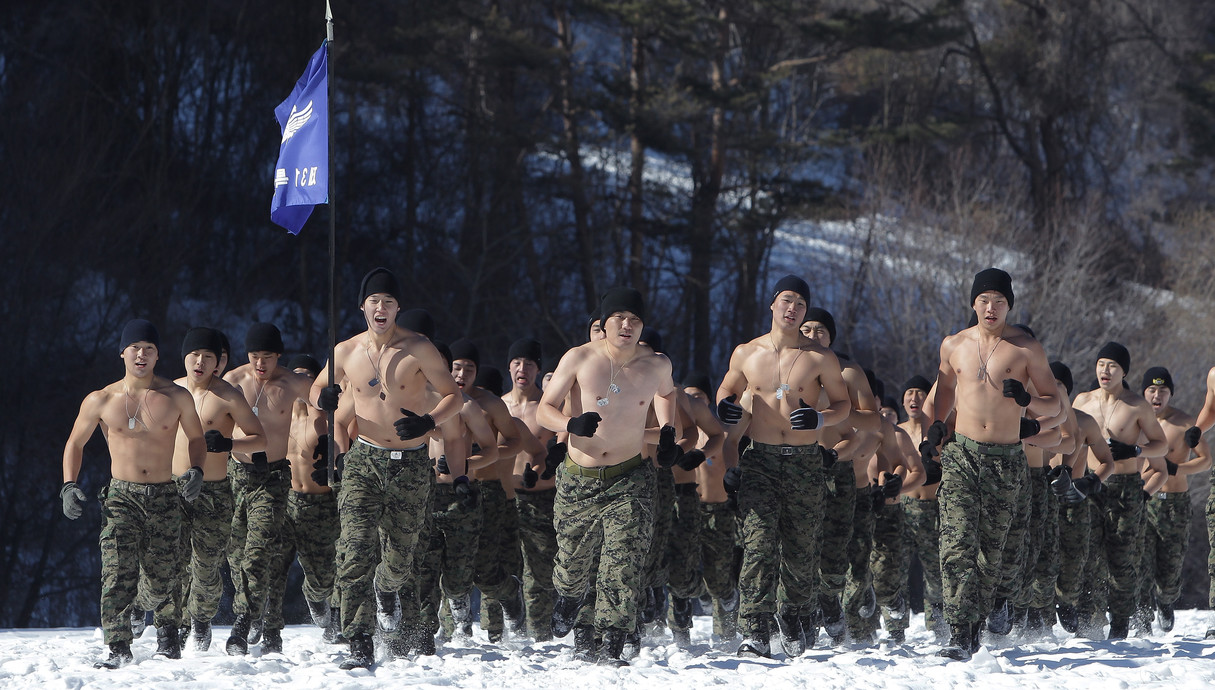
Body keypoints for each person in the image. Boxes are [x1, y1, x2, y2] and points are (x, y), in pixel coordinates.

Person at [311, 268, 465, 669]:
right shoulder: (346, 351)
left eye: (389, 302)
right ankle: (359, 639)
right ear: (363, 306)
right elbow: (317, 391)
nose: (381, 308)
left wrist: (428, 422)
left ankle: (386, 589)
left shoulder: (419, 348)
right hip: (364, 459)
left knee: (400, 555)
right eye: (374, 301)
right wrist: (324, 397)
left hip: (411, 463)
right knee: (355, 549)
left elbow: (453, 396)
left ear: (398, 308)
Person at [920, 268, 1059, 660]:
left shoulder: (1026, 349)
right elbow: (944, 390)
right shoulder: (954, 345)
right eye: (984, 300)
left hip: (1005, 459)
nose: (991, 307)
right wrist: (935, 428)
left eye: (999, 301)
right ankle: (960, 632)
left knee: (993, 552)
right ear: (973, 304)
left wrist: (1027, 400)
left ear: (1009, 305)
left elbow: (1056, 403)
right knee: (957, 543)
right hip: (962, 454)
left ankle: (988, 607)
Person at [537, 287, 679, 665]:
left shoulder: (657, 364)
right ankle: (569, 596)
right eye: (619, 318)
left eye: (634, 320)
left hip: (629, 477)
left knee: (623, 562)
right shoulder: (580, 358)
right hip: (579, 478)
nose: (627, 326)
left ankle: (613, 642)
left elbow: (666, 395)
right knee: (571, 564)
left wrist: (667, 430)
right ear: (603, 323)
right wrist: (570, 423)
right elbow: (543, 409)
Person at [715, 275, 851, 658]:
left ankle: (793, 616)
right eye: (787, 301)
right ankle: (755, 630)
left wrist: (820, 419)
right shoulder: (747, 352)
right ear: (773, 304)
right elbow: (727, 390)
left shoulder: (819, 357)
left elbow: (842, 405)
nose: (793, 309)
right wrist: (724, 404)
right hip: (760, 458)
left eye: (801, 304)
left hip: (805, 462)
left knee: (800, 549)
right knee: (757, 545)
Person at [61, 319, 207, 668]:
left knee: (164, 575)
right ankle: (117, 645)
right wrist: (68, 485)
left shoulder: (176, 396)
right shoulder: (101, 399)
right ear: (123, 352)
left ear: (158, 355)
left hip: (165, 493)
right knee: (116, 569)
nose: (141, 354)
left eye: (149, 349)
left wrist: (197, 470)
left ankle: (164, 631)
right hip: (121, 497)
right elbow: (74, 443)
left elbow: (198, 438)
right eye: (135, 348)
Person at [222, 322, 314, 655]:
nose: (261, 364)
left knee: (260, 551)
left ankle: (244, 621)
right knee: (236, 555)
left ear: (279, 356)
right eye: (255, 356)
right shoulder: (232, 382)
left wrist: (331, 397)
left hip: (273, 478)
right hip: (236, 475)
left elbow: (329, 396)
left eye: (268, 357)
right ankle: (261, 614)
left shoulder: (292, 383)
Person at [173, 327, 265, 652]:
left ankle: (200, 618)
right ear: (184, 357)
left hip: (213, 491)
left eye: (208, 357)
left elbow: (260, 439)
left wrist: (228, 443)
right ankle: (175, 624)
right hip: (174, 488)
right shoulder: (169, 392)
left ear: (217, 363)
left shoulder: (228, 395)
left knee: (206, 565)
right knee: (173, 561)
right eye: (195, 355)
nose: (200, 362)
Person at [1070, 341, 1168, 639]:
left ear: (1123, 371)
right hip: (1091, 483)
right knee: (1089, 554)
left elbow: (1161, 444)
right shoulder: (1082, 401)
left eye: (1112, 366)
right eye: (1101, 364)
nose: (1105, 370)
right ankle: (1089, 618)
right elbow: (1070, 442)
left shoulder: (1136, 404)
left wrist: (1135, 449)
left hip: (1125, 487)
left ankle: (1121, 621)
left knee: (1122, 556)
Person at [799, 308, 881, 646]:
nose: (814, 334)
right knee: (798, 547)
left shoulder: (849, 372)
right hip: (796, 468)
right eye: (807, 328)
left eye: (821, 329)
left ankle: (830, 597)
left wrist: (839, 420)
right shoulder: (786, 367)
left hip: (837, 466)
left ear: (831, 336)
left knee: (835, 548)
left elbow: (872, 422)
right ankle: (796, 616)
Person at [450, 339, 528, 644]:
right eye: (457, 366)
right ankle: (459, 622)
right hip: (448, 489)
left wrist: (489, 455)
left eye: (469, 368)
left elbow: (515, 440)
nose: (462, 373)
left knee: (483, 568)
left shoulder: (490, 403)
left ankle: (510, 598)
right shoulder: (432, 397)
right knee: (450, 561)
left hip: (487, 490)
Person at [262, 354, 342, 652]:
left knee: (322, 577)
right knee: (272, 570)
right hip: (283, 501)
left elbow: (336, 444)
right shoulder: (276, 416)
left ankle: (319, 599)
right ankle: (271, 631)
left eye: (306, 380)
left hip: (317, 505)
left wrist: (331, 456)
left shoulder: (322, 420)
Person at [1137, 367, 1211, 632]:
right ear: (1144, 392)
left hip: (1174, 503)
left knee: (1170, 567)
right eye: (1152, 390)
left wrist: (1178, 468)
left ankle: (1166, 600)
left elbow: (1206, 460)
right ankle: (1142, 616)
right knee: (1140, 562)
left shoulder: (1184, 423)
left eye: (1163, 391)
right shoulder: (1135, 421)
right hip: (1144, 500)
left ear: (1170, 395)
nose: (1157, 396)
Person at [504, 337, 566, 642]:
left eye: (529, 363)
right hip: (505, 496)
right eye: (517, 362)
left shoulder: (549, 408)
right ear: (509, 367)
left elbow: (561, 448)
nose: (522, 368)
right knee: (503, 565)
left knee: (540, 569)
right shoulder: (498, 406)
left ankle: (541, 634)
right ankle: (503, 631)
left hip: (542, 496)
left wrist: (543, 470)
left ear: (537, 368)